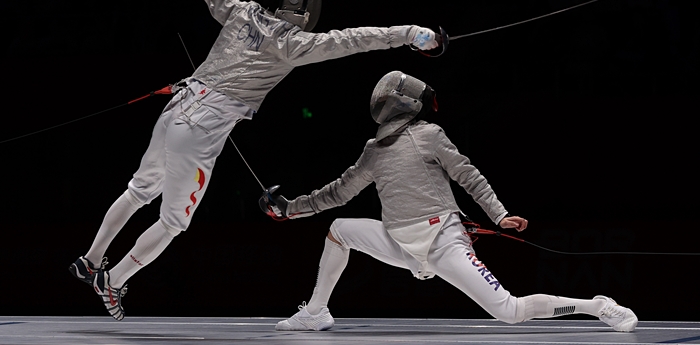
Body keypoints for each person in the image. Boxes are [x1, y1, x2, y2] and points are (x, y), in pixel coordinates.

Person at [68, 0, 440, 321]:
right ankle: (112, 281)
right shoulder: (293, 45)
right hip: (198, 130)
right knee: (174, 221)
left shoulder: (239, 12)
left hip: (176, 108)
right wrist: (411, 35)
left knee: (139, 189)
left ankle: (90, 260)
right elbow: (352, 39)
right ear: (298, 11)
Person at [266, 71, 638, 333]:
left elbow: (467, 174)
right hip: (400, 243)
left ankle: (597, 305)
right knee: (339, 230)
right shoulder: (374, 150)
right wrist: (289, 208)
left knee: (509, 312)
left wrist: (499, 214)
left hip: (443, 242)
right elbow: (338, 192)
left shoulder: (429, 134)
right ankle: (316, 311)